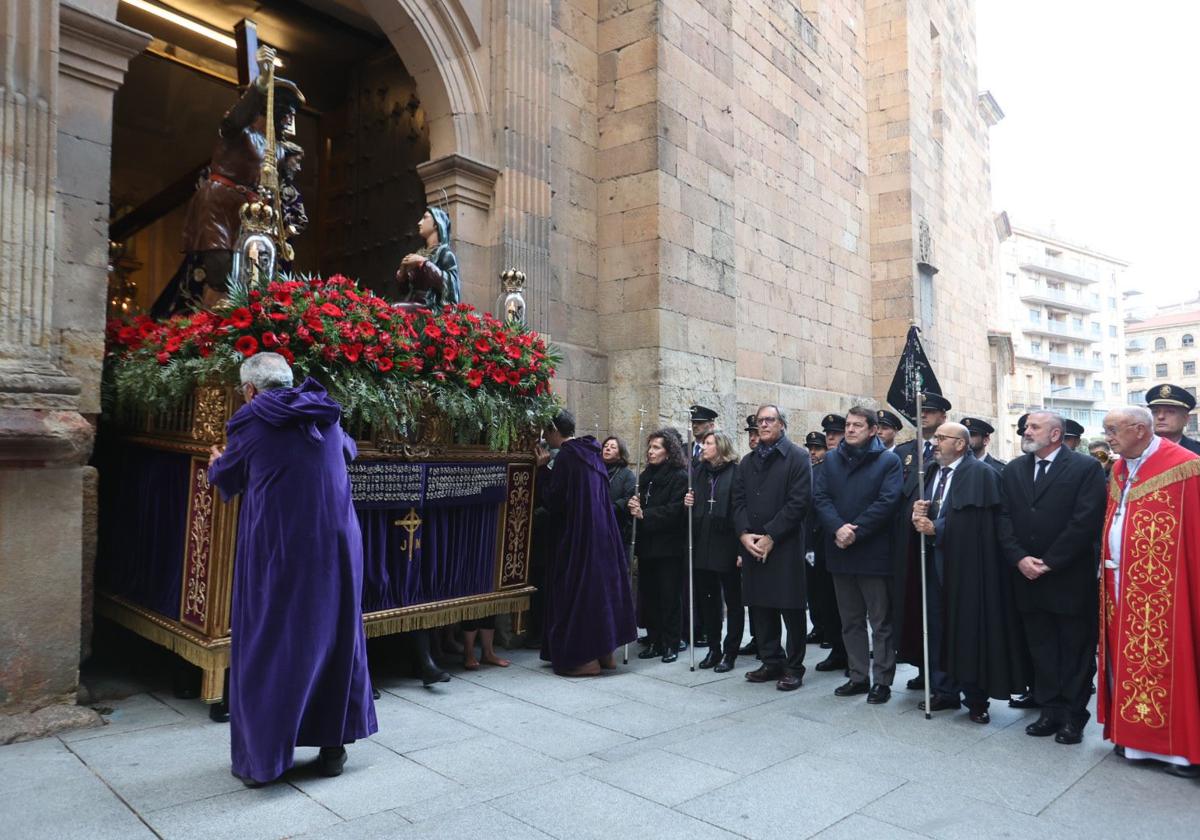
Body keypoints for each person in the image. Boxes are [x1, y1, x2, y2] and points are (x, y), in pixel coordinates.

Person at [207, 353, 376, 786]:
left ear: (249, 390)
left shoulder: (251, 420)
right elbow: (347, 451)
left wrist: (214, 461)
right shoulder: (324, 411)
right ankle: (333, 748)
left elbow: (228, 475)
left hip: (281, 547)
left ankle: (263, 762)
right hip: (338, 545)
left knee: (273, 642)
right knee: (335, 639)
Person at [152, 47, 305, 316]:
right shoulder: (237, 130)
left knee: (250, 275)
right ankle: (209, 327)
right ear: (270, 111)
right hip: (220, 204)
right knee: (220, 270)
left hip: (250, 212)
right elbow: (237, 116)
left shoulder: (279, 149)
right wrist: (261, 83)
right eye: (285, 115)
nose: (289, 123)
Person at [1099, 406, 1200, 777]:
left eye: (1113, 430)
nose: (1108, 437)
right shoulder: (1121, 467)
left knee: (1170, 662)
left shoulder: (1185, 466)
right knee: (1124, 660)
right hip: (1119, 582)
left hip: (1167, 589)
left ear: (1139, 429)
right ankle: (1134, 739)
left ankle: (1179, 751)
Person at [997, 411, 1106, 744]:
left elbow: (1085, 520)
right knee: (1041, 648)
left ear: (1056, 434)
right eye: (1026, 427)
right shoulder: (1014, 469)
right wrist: (1019, 558)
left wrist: (1050, 562)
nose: (1026, 431)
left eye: (1034, 427)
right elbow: (1003, 518)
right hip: (1026, 577)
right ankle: (1049, 710)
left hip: (1068, 577)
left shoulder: (1085, 468)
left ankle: (1074, 716)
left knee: (1074, 650)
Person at [911, 422, 1026, 724]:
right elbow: (941, 510)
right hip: (936, 563)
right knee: (937, 625)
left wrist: (937, 528)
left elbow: (976, 522)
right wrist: (920, 516)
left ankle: (976, 698)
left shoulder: (981, 475)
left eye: (940, 438)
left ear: (960, 444)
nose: (934, 443)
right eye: (934, 438)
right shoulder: (935, 472)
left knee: (969, 629)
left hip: (969, 569)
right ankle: (943, 689)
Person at [535, 410, 637, 676]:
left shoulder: (568, 457)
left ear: (555, 431)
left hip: (578, 539)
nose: (545, 436)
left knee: (577, 593)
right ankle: (605, 654)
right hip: (603, 536)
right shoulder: (592, 451)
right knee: (597, 592)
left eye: (546, 431)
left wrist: (542, 472)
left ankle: (583, 660)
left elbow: (556, 501)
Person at [813, 407, 902, 703]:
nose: (850, 430)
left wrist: (856, 530)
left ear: (873, 430)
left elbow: (887, 502)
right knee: (849, 619)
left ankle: (883, 681)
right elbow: (821, 497)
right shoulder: (831, 460)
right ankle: (858, 676)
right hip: (840, 551)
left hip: (873, 553)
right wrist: (838, 528)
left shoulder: (888, 461)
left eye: (857, 426)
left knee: (880, 621)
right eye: (848, 425)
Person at [732, 404, 813, 691]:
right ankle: (771, 660)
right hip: (753, 544)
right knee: (760, 605)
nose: (763, 425)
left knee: (790, 608)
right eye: (759, 421)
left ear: (782, 425)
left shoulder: (798, 457)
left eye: (770, 420)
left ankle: (793, 666)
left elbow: (799, 502)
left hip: (785, 544)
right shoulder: (747, 461)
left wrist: (770, 536)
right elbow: (738, 502)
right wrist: (744, 535)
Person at [892, 390, 951, 690]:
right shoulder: (903, 453)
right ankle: (923, 667)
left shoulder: (950, 453)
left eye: (929, 410)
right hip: (909, 543)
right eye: (920, 410)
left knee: (942, 613)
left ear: (943, 416)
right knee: (914, 608)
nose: (923, 414)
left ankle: (945, 674)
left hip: (941, 542)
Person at [683, 431, 743, 672]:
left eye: (708, 443)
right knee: (708, 600)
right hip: (703, 543)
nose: (703, 447)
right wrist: (688, 501)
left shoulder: (736, 472)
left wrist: (741, 548)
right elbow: (694, 502)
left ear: (720, 447)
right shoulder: (698, 471)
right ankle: (714, 648)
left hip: (727, 542)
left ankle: (731, 652)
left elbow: (741, 510)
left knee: (733, 600)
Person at [628, 429, 688, 663]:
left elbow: (675, 510)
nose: (651, 452)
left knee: (669, 596)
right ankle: (654, 640)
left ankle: (671, 643)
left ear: (668, 451)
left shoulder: (679, 476)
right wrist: (634, 504)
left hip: (669, 547)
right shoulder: (645, 476)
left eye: (656, 448)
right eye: (650, 447)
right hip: (648, 546)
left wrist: (645, 514)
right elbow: (640, 503)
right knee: (650, 595)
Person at [805, 429, 844, 669]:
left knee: (847, 607)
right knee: (825, 598)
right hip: (821, 542)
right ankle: (837, 648)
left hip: (846, 538)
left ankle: (851, 656)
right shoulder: (818, 470)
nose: (831, 438)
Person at [394, 207, 461, 307]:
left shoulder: (445, 254)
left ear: (436, 224)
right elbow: (404, 291)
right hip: (414, 302)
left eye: (425, 218)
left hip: (430, 305)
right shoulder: (420, 252)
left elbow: (451, 285)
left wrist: (424, 263)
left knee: (395, 309)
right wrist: (402, 273)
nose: (419, 223)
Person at [602, 436, 637, 561]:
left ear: (620, 453)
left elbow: (630, 496)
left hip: (617, 527)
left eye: (612, 447)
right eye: (605, 446)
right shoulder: (596, 471)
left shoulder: (627, 474)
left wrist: (612, 508)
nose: (607, 449)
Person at [1146, 383, 1200, 455]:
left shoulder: (1196, 452)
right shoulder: (1135, 450)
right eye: (1155, 411)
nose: (1160, 416)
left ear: (1186, 419)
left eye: (1170, 411)